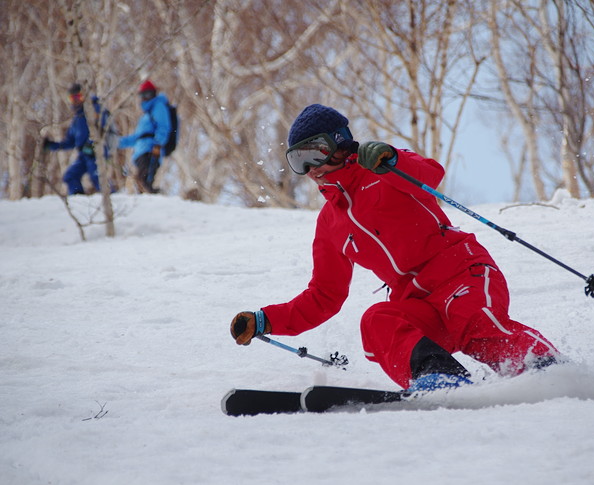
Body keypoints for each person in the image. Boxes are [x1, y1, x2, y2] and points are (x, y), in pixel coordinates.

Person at [230, 104, 562, 391]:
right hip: (419, 303)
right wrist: (266, 320)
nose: (311, 168)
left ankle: (549, 369)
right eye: (298, 161)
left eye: (315, 153)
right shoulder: (330, 223)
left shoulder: (382, 170)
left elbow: (431, 174)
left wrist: (391, 158)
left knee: (474, 325)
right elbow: (324, 296)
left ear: (339, 142)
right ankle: (439, 378)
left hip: (463, 276)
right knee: (377, 320)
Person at [43, 83, 100, 195]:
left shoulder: (94, 109)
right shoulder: (77, 119)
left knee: (97, 177)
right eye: (72, 98)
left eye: (78, 97)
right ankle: (78, 199)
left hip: (96, 153)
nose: (76, 101)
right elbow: (70, 142)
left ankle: (113, 198)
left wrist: (93, 145)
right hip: (83, 154)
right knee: (70, 176)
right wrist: (51, 145)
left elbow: (104, 129)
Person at [117, 80, 171, 193]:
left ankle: (155, 198)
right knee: (141, 182)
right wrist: (118, 142)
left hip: (150, 151)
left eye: (148, 94)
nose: (145, 98)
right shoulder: (146, 115)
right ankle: (150, 196)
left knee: (144, 181)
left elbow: (163, 127)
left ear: (154, 94)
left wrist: (158, 144)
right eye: (142, 95)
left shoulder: (159, 106)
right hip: (140, 152)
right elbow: (138, 137)